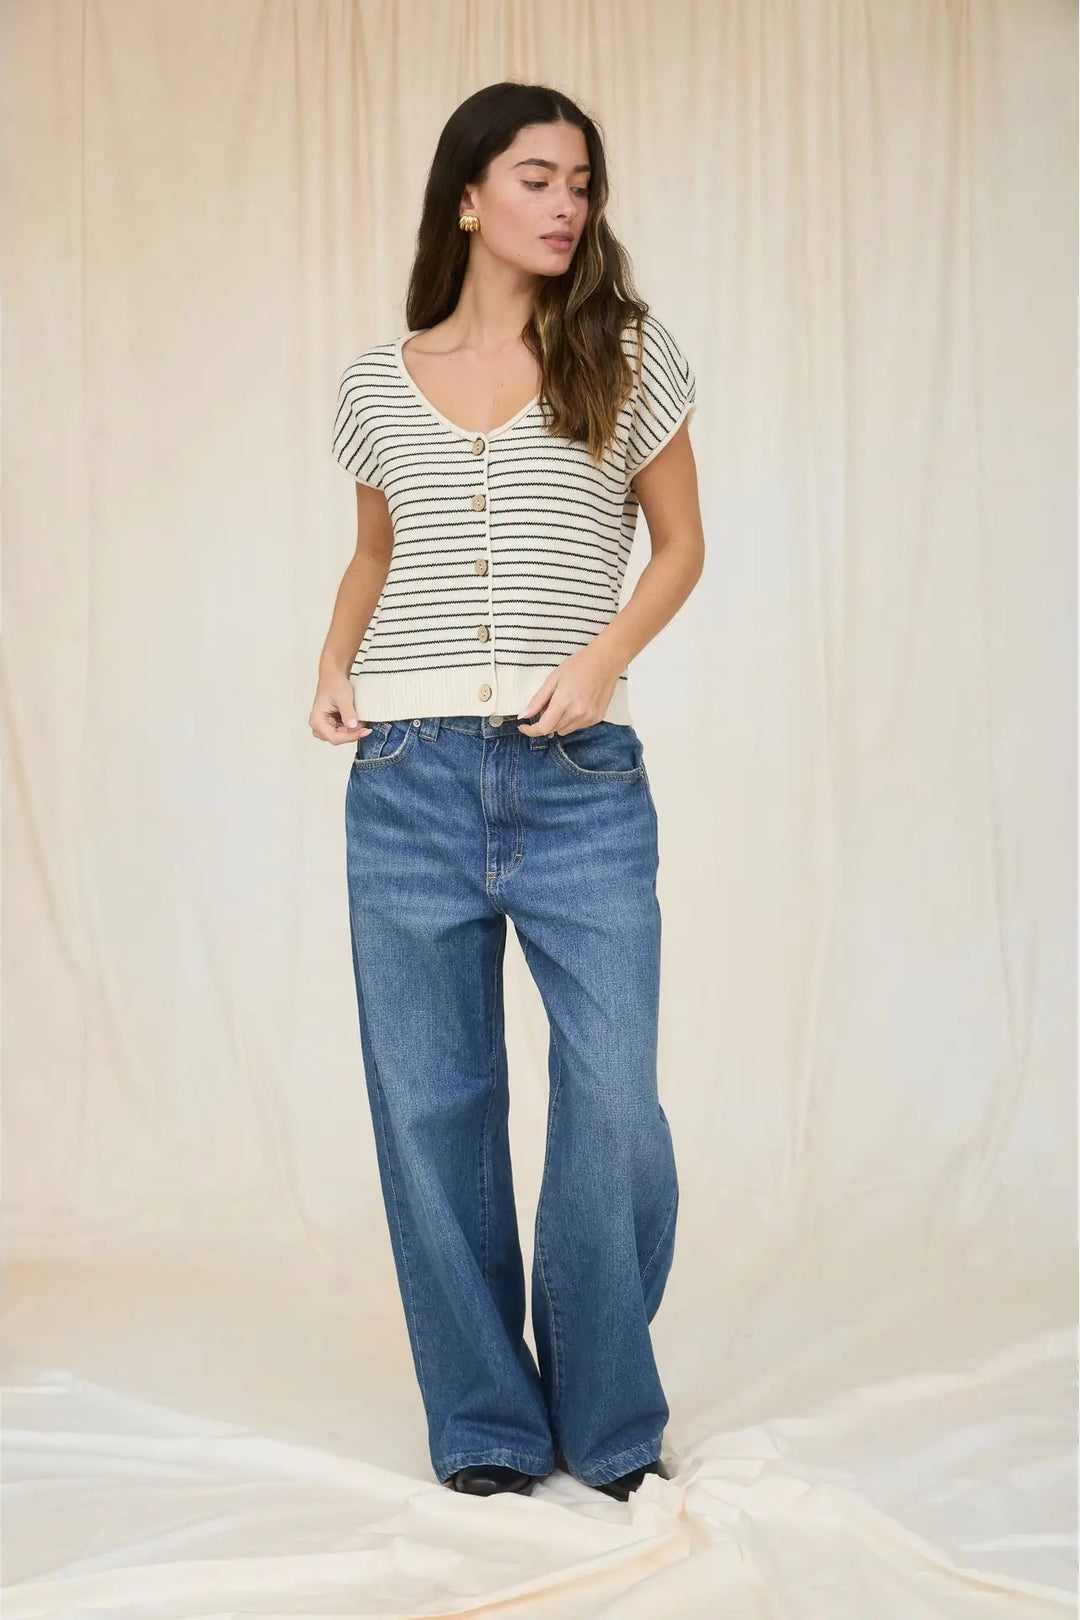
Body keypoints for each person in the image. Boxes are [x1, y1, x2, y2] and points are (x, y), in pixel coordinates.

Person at [312, 80, 705, 1501]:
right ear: (468, 195)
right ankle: (485, 1423)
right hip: (406, 775)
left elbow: (677, 549)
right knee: (433, 1108)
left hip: (578, 777)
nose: (566, 205)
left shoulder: (625, 351)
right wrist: (332, 665)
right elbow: (376, 549)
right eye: (536, 177)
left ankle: (605, 1422)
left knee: (612, 1105)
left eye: (582, 184)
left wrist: (599, 661)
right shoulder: (375, 381)